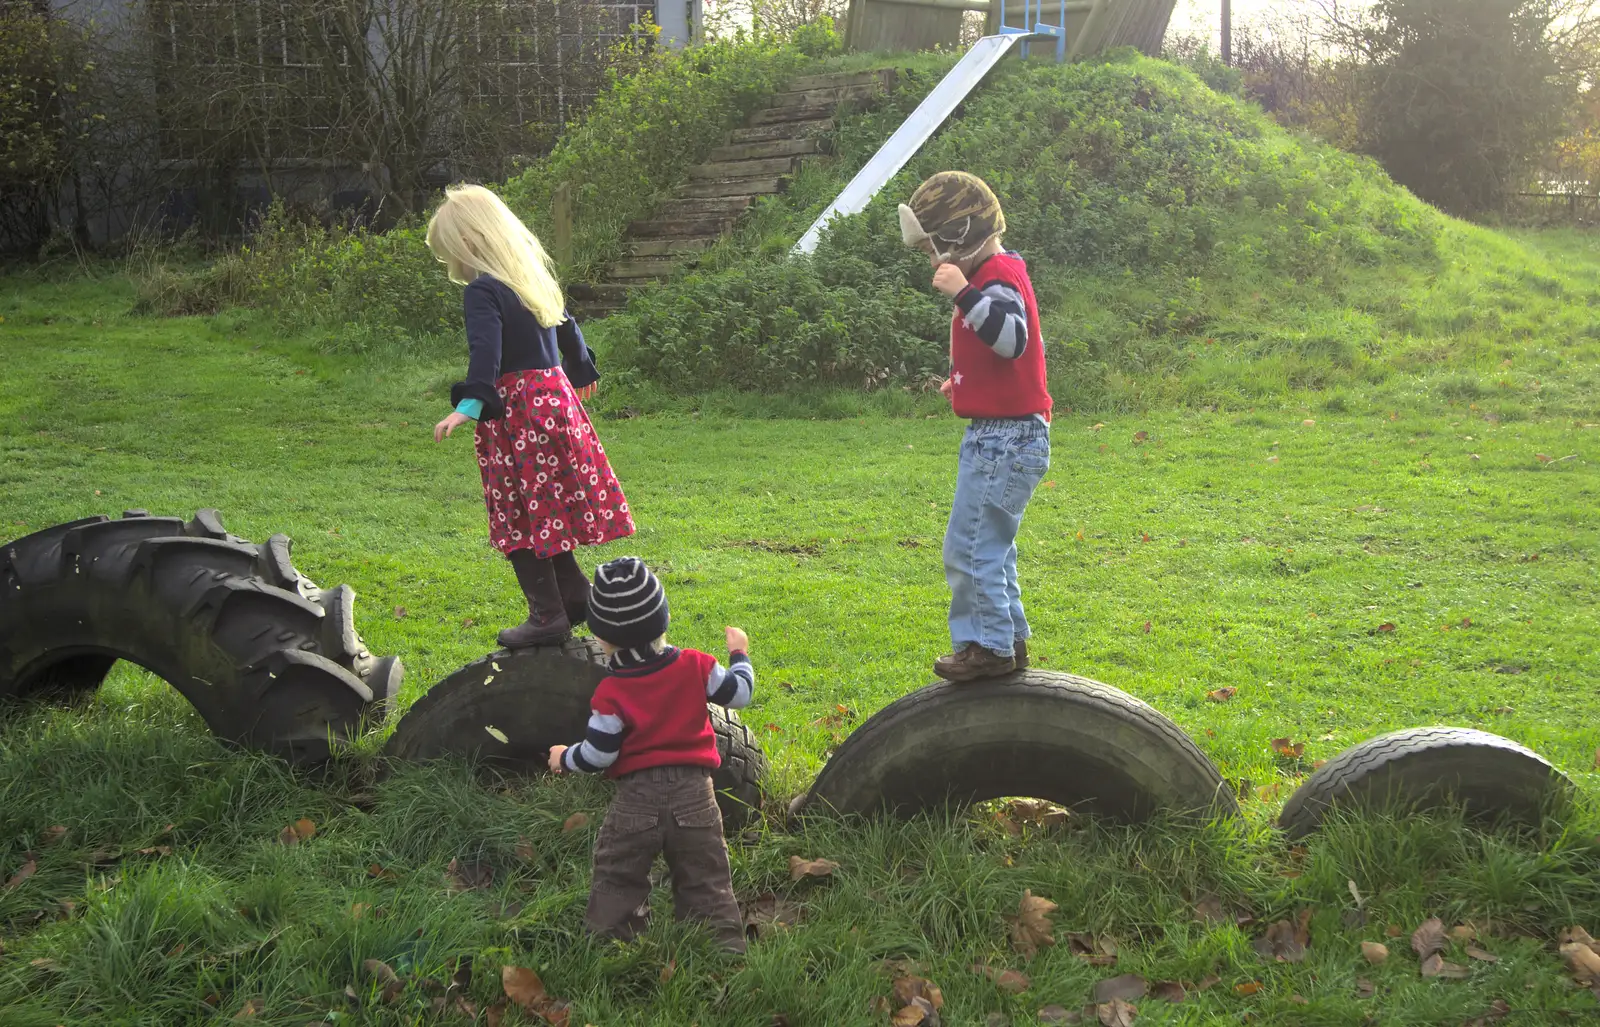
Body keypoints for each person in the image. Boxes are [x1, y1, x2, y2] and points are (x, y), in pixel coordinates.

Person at [426, 184, 634, 648]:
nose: (450, 265)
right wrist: (581, 368)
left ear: (470, 243)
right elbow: (567, 325)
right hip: (555, 405)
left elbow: (487, 353)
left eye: (449, 253)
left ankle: (547, 614)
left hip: (516, 414)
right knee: (548, 508)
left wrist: (469, 405)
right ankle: (577, 595)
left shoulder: (483, 291)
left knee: (517, 512)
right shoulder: (530, 280)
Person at [547, 556, 752, 954]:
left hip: (636, 801)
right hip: (696, 796)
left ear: (601, 638)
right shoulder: (696, 665)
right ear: (664, 619)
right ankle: (723, 954)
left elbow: (599, 755)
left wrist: (563, 757)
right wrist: (739, 654)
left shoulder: (611, 692)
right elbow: (740, 694)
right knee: (707, 879)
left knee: (618, 875)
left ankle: (610, 949)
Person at [900, 171, 1052, 682]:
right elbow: (1000, 359)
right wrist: (964, 386)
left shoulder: (993, 278)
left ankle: (986, 647)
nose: (931, 259)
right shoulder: (998, 275)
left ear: (958, 234)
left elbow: (1011, 338)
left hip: (1004, 440)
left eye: (931, 247)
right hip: (1003, 432)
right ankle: (1008, 637)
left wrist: (963, 292)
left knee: (969, 547)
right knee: (993, 546)